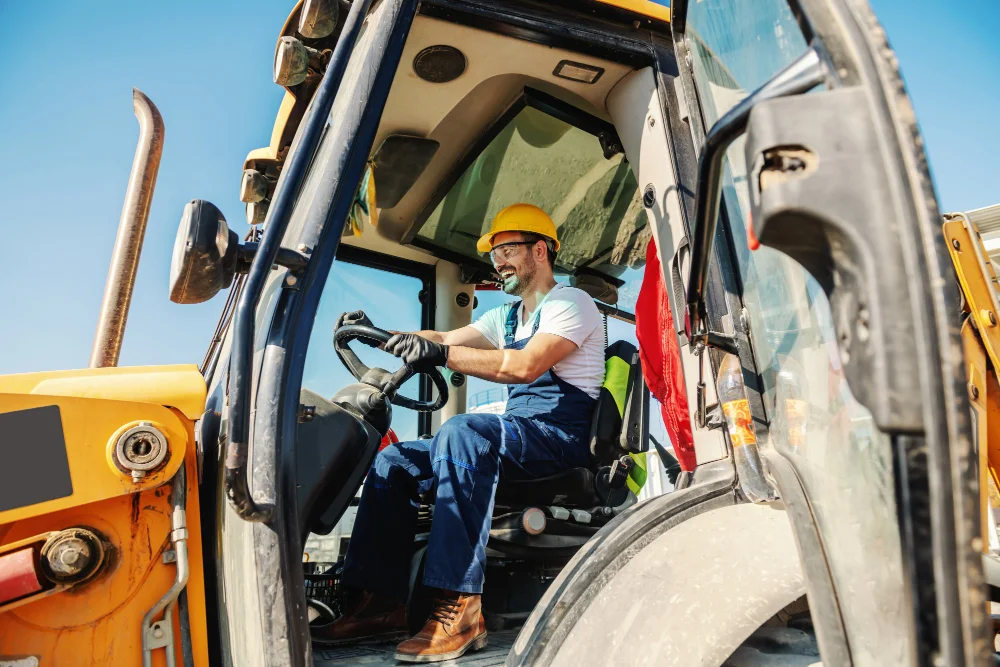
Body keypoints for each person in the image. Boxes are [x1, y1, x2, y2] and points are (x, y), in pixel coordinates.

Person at [313, 203, 606, 663]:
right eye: (495, 254)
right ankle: (380, 603)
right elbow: (443, 338)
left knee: (462, 432)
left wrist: (437, 356)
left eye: (508, 249)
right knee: (397, 461)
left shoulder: (571, 304)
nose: (499, 262)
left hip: (558, 438)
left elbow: (525, 366)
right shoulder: (507, 317)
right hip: (518, 433)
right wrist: (375, 333)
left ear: (542, 250)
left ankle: (461, 607)